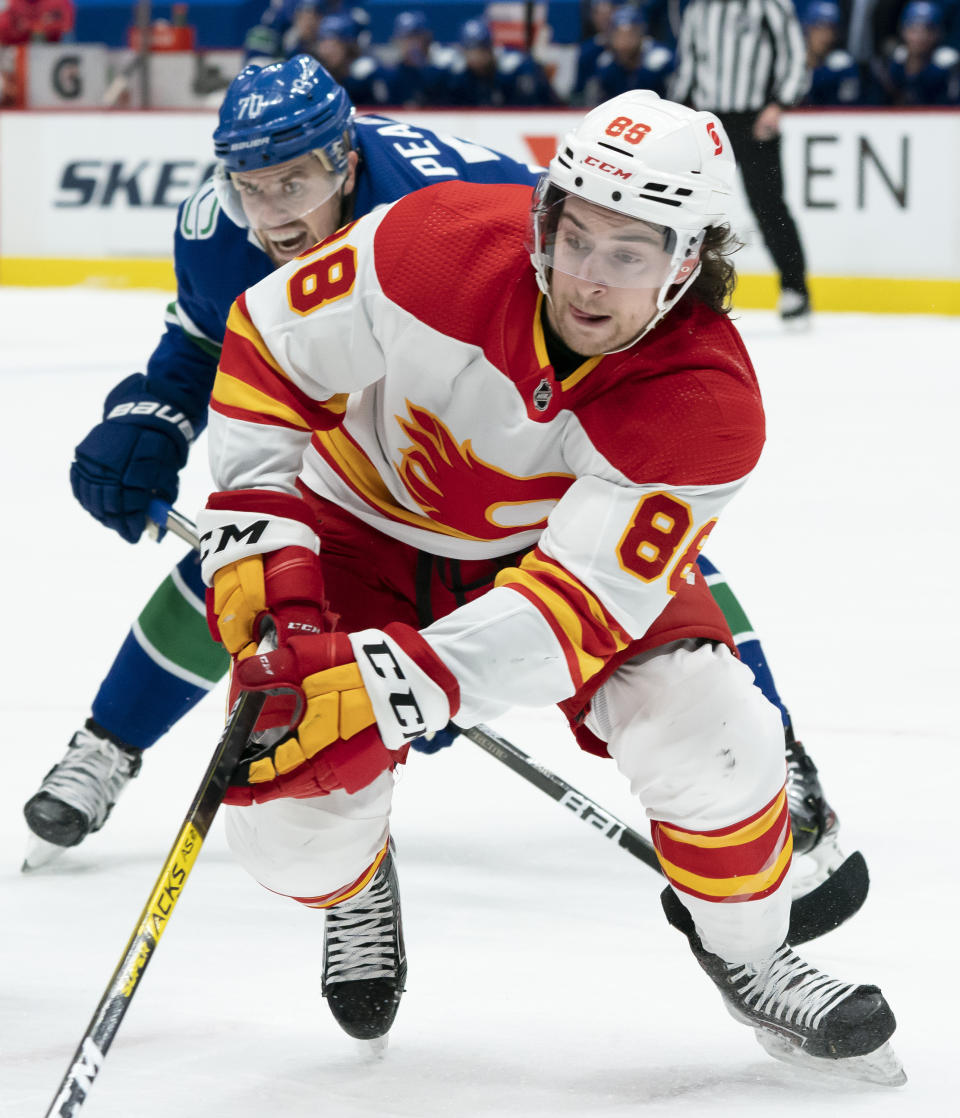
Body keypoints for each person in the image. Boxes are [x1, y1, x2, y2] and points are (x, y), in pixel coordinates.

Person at [195, 91, 903, 1082]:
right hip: (358, 531)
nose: (587, 281)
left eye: (630, 252)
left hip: (547, 561)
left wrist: (400, 686)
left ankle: (751, 953)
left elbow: (575, 605)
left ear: (689, 259)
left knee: (717, 731)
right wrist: (274, 572)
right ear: (543, 217)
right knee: (286, 818)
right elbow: (270, 355)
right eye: (574, 237)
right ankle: (354, 882)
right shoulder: (430, 242)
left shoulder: (704, 402)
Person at [21, 55, 542, 862]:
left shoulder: (433, 222)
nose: (272, 216)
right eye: (250, 187)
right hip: (344, 386)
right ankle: (107, 746)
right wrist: (150, 419)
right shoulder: (218, 227)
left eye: (293, 184)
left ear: (347, 159)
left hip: (491, 384)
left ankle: (767, 754)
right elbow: (202, 340)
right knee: (249, 554)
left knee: (621, 548)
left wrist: (436, 633)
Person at [670, 0, 812, 325]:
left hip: (756, 118)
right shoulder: (697, 10)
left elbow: (794, 56)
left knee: (768, 206)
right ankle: (683, 287)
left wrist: (779, 104)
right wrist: (676, 112)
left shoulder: (768, 5)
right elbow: (689, 66)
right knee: (689, 207)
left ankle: (795, 289)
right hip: (708, 120)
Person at [443, 17, 560, 106]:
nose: (476, 56)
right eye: (470, 50)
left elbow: (539, 102)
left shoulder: (513, 68)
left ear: (490, 48)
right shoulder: (458, 75)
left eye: (481, 49)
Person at [585, 5, 676, 104]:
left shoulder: (661, 59)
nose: (624, 42)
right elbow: (599, 101)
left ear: (641, 33)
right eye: (619, 35)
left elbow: (676, 97)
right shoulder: (605, 63)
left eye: (630, 35)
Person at [881, 1, 960, 103]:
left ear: (938, 33)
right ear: (903, 31)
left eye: (928, 30)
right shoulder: (892, 67)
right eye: (913, 29)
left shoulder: (947, 70)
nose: (920, 37)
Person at [800, 0, 867, 104]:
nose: (825, 36)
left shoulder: (842, 64)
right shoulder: (794, 62)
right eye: (819, 27)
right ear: (807, 28)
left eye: (830, 29)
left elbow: (848, 106)